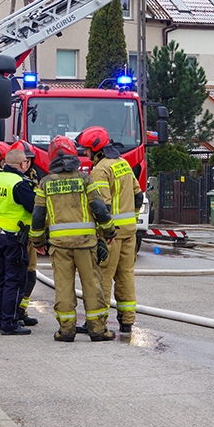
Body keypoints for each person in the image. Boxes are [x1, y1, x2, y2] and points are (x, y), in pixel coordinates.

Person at [30, 136, 117, 342]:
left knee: (63, 288)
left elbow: (38, 216)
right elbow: (99, 209)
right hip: (86, 244)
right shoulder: (84, 179)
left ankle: (66, 330)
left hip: (59, 247)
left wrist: (38, 241)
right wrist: (109, 232)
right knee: (92, 285)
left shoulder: (45, 183)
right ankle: (97, 330)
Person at [76, 126, 144, 334]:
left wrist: (106, 232)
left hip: (111, 234)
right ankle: (127, 321)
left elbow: (102, 206)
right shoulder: (123, 163)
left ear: (97, 149)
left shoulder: (100, 170)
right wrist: (131, 221)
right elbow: (138, 196)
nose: (85, 154)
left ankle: (96, 322)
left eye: (87, 150)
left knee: (102, 276)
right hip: (129, 231)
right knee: (125, 275)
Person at [0, 148, 36, 336]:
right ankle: (9, 322)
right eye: (26, 161)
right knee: (14, 281)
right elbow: (33, 207)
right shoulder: (19, 184)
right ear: (22, 164)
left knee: (0, 279)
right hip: (15, 237)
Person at [9, 139, 40, 327]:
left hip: (30, 235)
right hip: (15, 235)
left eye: (29, 160)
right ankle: (13, 313)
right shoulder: (15, 181)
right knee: (15, 277)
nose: (26, 164)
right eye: (24, 160)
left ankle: (22, 310)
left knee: (30, 276)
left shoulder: (34, 178)